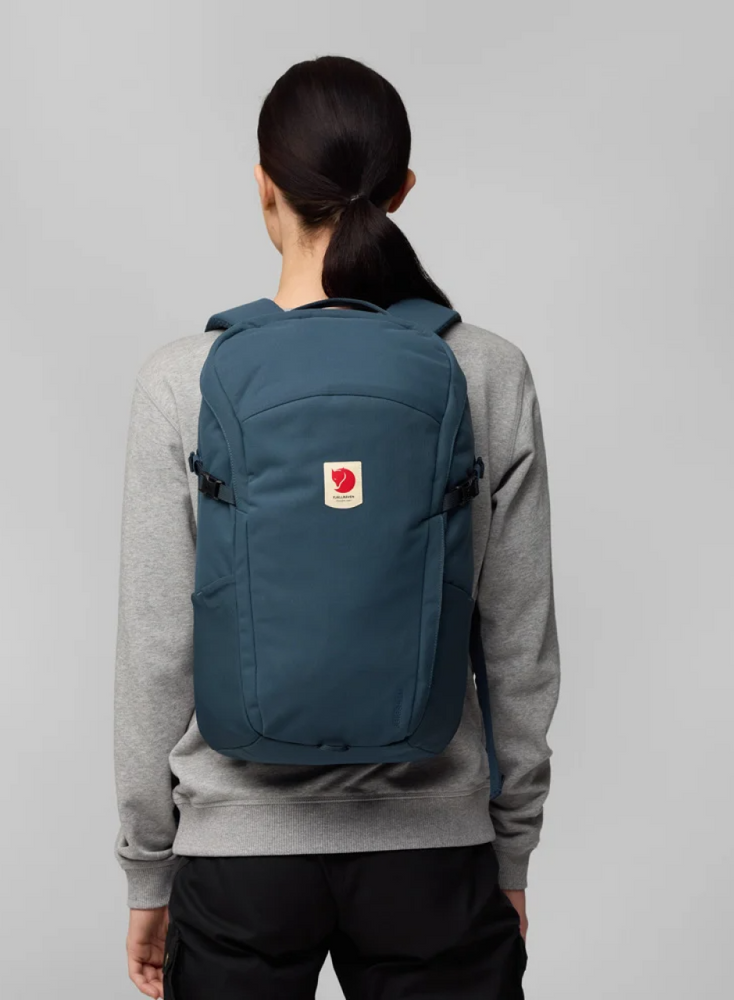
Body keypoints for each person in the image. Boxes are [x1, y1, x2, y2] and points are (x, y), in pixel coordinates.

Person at [113, 54, 560, 1000]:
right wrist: (511, 850)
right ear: (401, 191)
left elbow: (156, 654)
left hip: (237, 864)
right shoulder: (488, 370)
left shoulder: (182, 380)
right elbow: (518, 649)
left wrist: (149, 869)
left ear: (263, 186)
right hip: (434, 859)